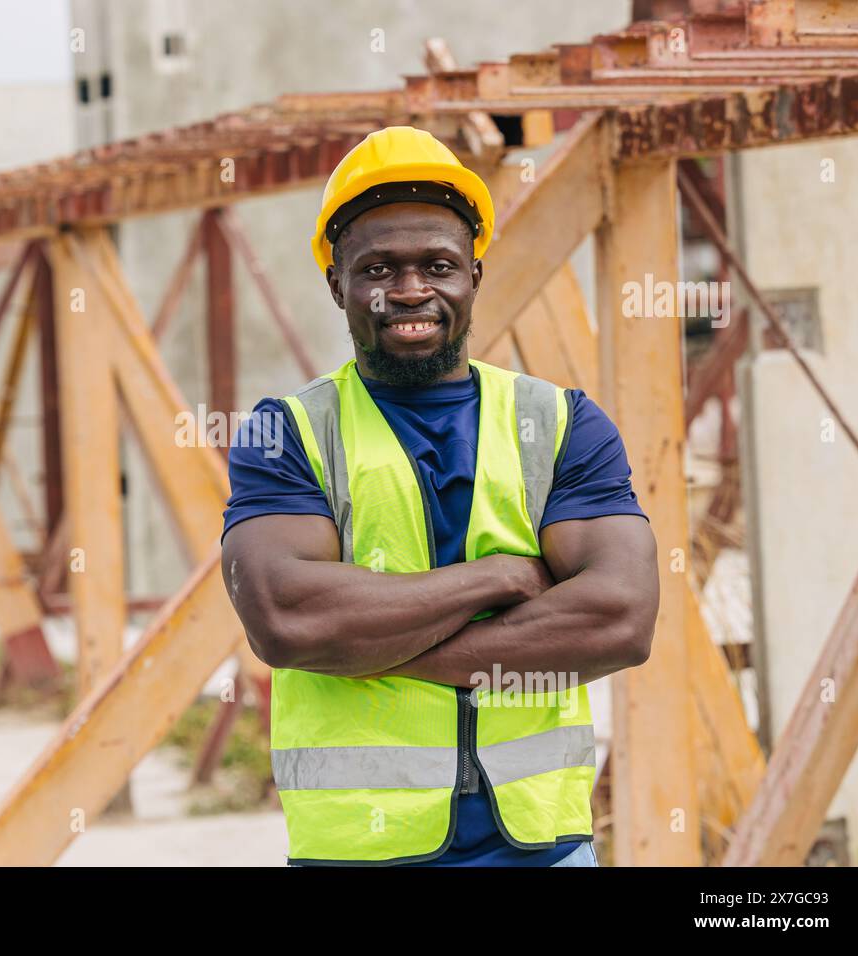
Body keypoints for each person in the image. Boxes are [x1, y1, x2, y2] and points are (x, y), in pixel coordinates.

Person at [220, 126, 659, 867]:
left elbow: (621, 618)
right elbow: (290, 618)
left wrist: (372, 645)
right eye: (378, 269)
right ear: (338, 285)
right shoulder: (287, 433)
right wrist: (503, 578)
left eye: (438, 265)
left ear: (474, 275)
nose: (411, 291)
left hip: (543, 847)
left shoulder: (559, 424)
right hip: (359, 851)